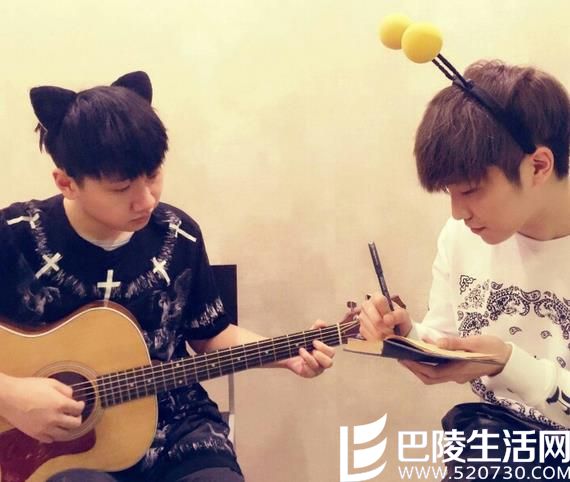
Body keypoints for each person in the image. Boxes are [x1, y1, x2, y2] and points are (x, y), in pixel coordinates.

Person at [0, 71, 335, 482]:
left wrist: (286, 355)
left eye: (154, 175)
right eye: (121, 188)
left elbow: (209, 334)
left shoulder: (179, 235)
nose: (146, 201)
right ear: (67, 183)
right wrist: (10, 395)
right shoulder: (13, 236)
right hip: (52, 450)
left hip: (177, 425)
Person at [358, 60, 570, 478]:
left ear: (538, 166)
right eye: (449, 194)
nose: (458, 213)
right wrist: (407, 335)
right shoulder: (461, 237)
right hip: (499, 449)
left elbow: (496, 361)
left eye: (471, 191)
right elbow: (450, 341)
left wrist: (506, 363)